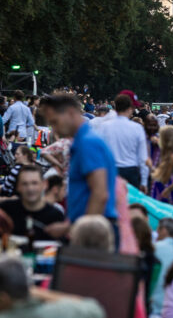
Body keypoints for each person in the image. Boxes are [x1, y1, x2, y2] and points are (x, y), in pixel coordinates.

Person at [40, 94, 119, 238]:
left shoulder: (87, 143)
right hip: (93, 225)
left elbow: (100, 193)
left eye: (55, 122)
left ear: (70, 113)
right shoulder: (84, 141)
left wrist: (78, 230)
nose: (54, 129)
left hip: (94, 231)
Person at [0, 165, 70, 240]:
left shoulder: (56, 215)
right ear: (18, 187)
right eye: (25, 184)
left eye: (34, 183)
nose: (30, 188)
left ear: (44, 185)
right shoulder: (5, 210)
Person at [95, 93, 149, 188]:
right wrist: (144, 182)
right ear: (130, 108)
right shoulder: (137, 128)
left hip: (110, 171)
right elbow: (142, 157)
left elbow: (97, 153)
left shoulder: (103, 127)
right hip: (131, 172)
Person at [149, 218, 173, 318]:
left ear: (164, 230)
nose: (157, 234)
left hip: (154, 308)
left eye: (158, 230)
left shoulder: (154, 248)